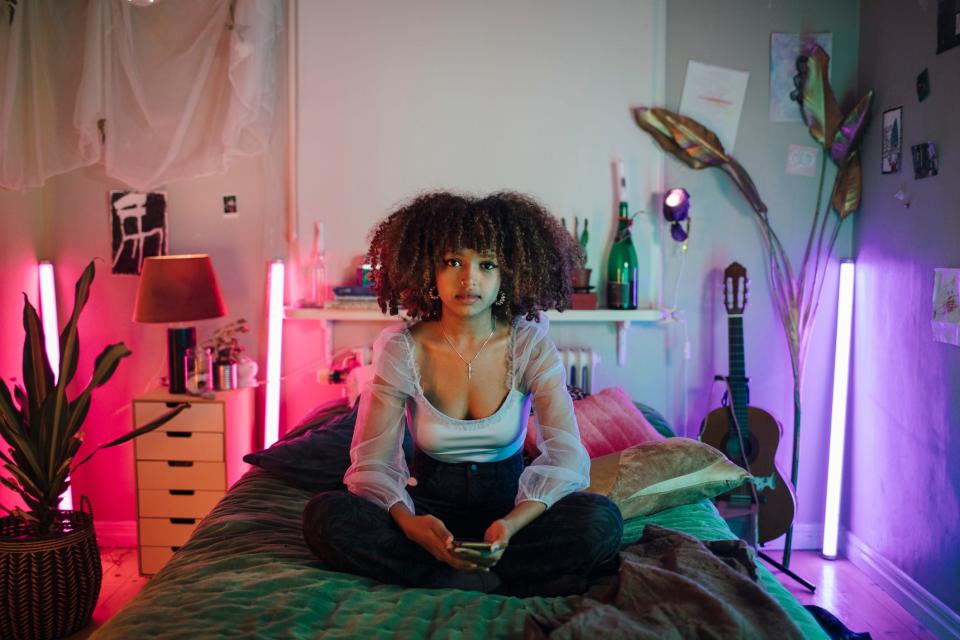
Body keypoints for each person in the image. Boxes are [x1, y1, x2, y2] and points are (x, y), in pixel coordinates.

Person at [302, 191, 623, 595]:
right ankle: (475, 571)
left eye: (486, 265)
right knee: (324, 516)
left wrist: (511, 524)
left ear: (507, 275)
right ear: (429, 273)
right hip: (428, 509)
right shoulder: (403, 349)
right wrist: (411, 525)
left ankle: (456, 570)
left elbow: (565, 457)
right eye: (452, 262)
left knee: (601, 520)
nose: (469, 278)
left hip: (509, 511)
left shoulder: (529, 347)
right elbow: (373, 462)